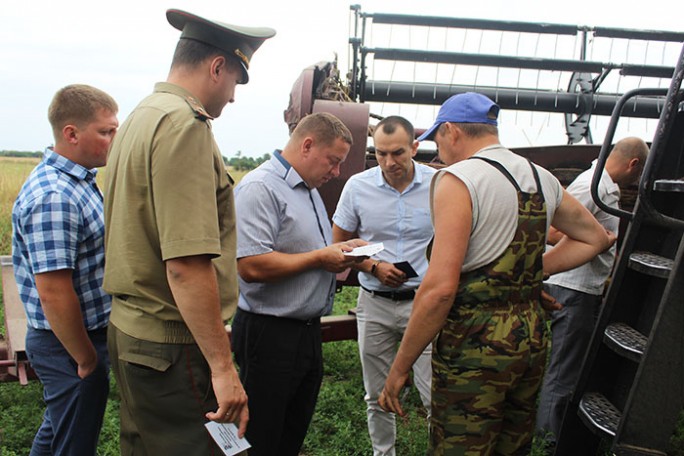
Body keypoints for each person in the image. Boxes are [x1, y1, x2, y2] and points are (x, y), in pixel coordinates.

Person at [378, 92, 615, 455]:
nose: (438, 153)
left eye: (437, 140)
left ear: (452, 131)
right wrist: (529, 275)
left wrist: (399, 368)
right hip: (529, 339)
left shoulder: (459, 179)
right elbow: (595, 238)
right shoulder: (540, 177)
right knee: (513, 445)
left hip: (474, 346)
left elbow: (440, 289)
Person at [102, 9, 274, 455]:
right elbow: (185, 264)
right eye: (235, 80)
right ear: (217, 67)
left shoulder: (142, 116)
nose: (233, 97)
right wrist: (222, 367)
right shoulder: (186, 125)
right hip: (173, 345)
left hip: (131, 331)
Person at [232, 112, 366, 456]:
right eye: (333, 161)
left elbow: (306, 251)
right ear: (307, 145)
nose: (336, 171)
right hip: (270, 331)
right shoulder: (260, 187)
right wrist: (322, 258)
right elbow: (250, 265)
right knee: (260, 435)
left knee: (290, 432)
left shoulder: (307, 189)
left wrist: (339, 252)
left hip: (305, 331)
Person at [12, 84, 118, 455]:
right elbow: (54, 291)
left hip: (74, 341)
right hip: (69, 344)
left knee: (59, 429)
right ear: (71, 134)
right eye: (106, 131)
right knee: (74, 443)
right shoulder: (55, 196)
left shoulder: (79, 181)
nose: (114, 138)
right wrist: (86, 357)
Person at [332, 115, 435, 456]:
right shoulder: (358, 187)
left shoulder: (440, 185)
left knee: (434, 392)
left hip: (424, 303)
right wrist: (374, 267)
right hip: (375, 302)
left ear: (415, 148)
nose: (389, 162)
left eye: (398, 153)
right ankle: (383, 453)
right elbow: (339, 247)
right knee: (376, 392)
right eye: (380, 154)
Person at [535, 137, 649, 444]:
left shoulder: (601, 185)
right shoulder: (593, 187)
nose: (636, 180)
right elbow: (555, 231)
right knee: (563, 370)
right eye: (638, 174)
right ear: (633, 164)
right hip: (573, 286)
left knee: (569, 368)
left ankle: (557, 436)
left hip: (582, 286)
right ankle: (548, 442)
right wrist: (600, 239)